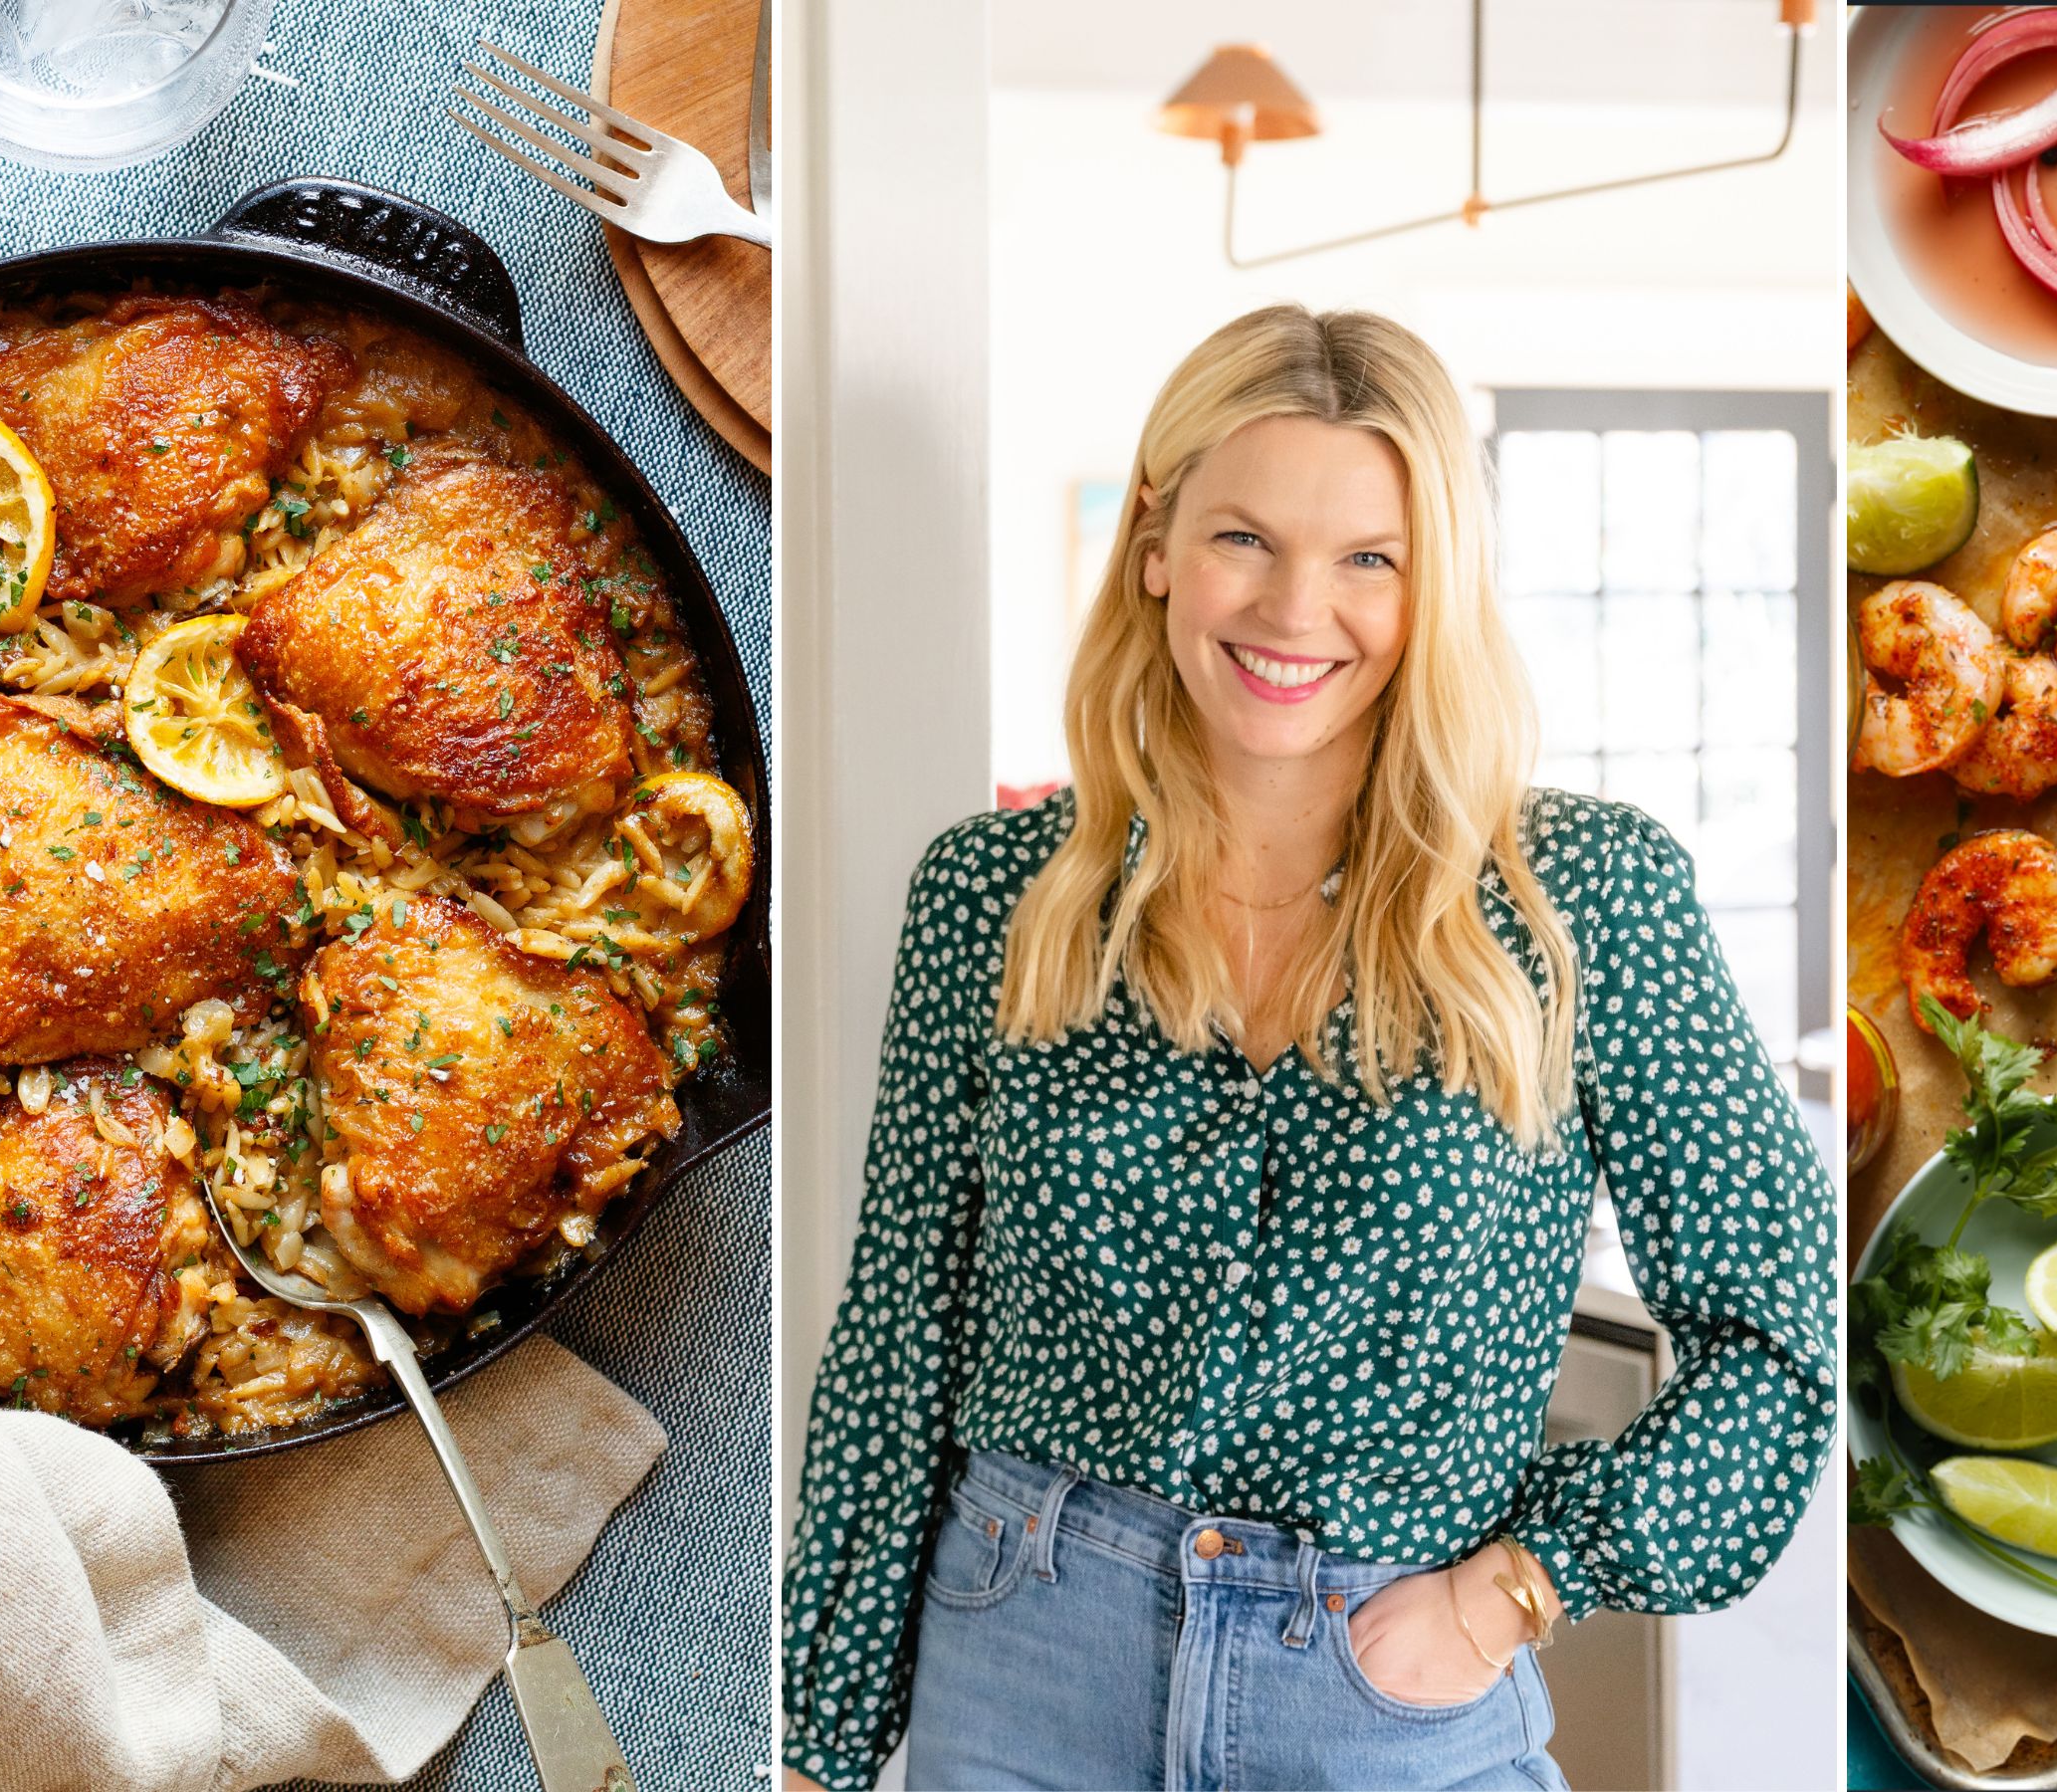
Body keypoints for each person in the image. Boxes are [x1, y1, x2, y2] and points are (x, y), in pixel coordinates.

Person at [780, 304, 1837, 1790]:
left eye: (1368, 560)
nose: (1294, 610)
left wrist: (1511, 1593)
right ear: (1156, 544)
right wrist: (812, 1741)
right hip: (1022, 1654)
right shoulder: (991, 898)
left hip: (1385, 1688)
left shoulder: (1585, 897)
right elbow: (900, 1339)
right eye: (1243, 539)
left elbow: (1782, 1337)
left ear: (1433, 587)